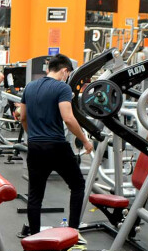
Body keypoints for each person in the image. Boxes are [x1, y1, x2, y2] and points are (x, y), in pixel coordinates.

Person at [13, 54, 93, 239]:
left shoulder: (30, 86)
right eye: (68, 74)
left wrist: (32, 136)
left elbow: (22, 117)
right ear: (64, 71)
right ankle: (73, 232)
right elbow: (68, 118)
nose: (67, 77)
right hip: (56, 146)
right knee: (77, 185)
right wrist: (85, 140)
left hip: (35, 147)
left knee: (35, 195)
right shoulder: (62, 87)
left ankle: (34, 238)